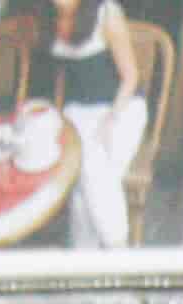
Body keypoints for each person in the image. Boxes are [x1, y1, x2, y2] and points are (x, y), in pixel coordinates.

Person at [46, 0, 148, 250]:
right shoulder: (47, 14)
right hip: (78, 111)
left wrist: (110, 119)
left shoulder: (106, 13)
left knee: (89, 169)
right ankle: (97, 256)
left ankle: (112, 248)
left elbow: (131, 77)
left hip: (122, 108)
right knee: (87, 177)